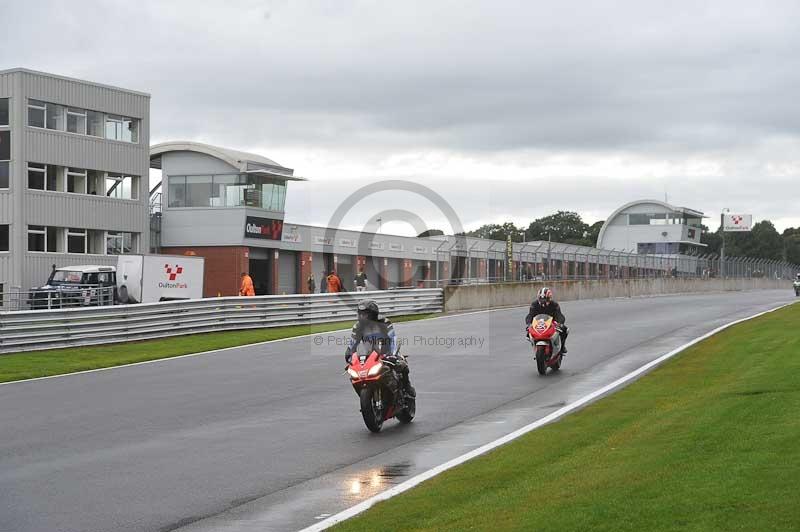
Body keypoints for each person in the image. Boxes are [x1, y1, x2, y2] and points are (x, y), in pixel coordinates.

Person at [345, 299, 413, 396]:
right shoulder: (358, 326)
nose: (361, 317)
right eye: (360, 314)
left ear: (373, 314)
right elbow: (353, 343)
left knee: (402, 365)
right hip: (369, 356)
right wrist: (349, 352)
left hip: (387, 353)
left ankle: (407, 387)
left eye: (365, 314)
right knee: (354, 376)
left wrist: (392, 354)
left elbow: (392, 338)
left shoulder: (384, 322)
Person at [525, 287, 569, 354]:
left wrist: (559, 324)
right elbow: (530, 315)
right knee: (528, 333)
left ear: (549, 298)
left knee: (565, 330)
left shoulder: (554, 304)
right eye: (541, 299)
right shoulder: (534, 304)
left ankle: (562, 346)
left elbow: (560, 315)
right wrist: (529, 324)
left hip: (552, 324)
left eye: (545, 299)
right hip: (538, 324)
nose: (543, 301)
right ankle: (535, 345)